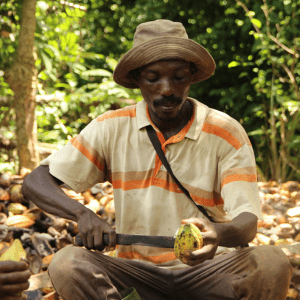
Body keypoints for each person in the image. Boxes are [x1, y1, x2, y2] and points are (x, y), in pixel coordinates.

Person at [22, 19, 292, 300]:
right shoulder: (111, 128)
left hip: (209, 271)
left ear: (190, 76)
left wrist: (218, 234)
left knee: (271, 261)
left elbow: (247, 222)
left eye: (178, 77)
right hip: (135, 273)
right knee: (67, 263)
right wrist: (83, 214)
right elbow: (35, 182)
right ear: (138, 79)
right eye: (153, 78)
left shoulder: (225, 132)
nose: (167, 89)